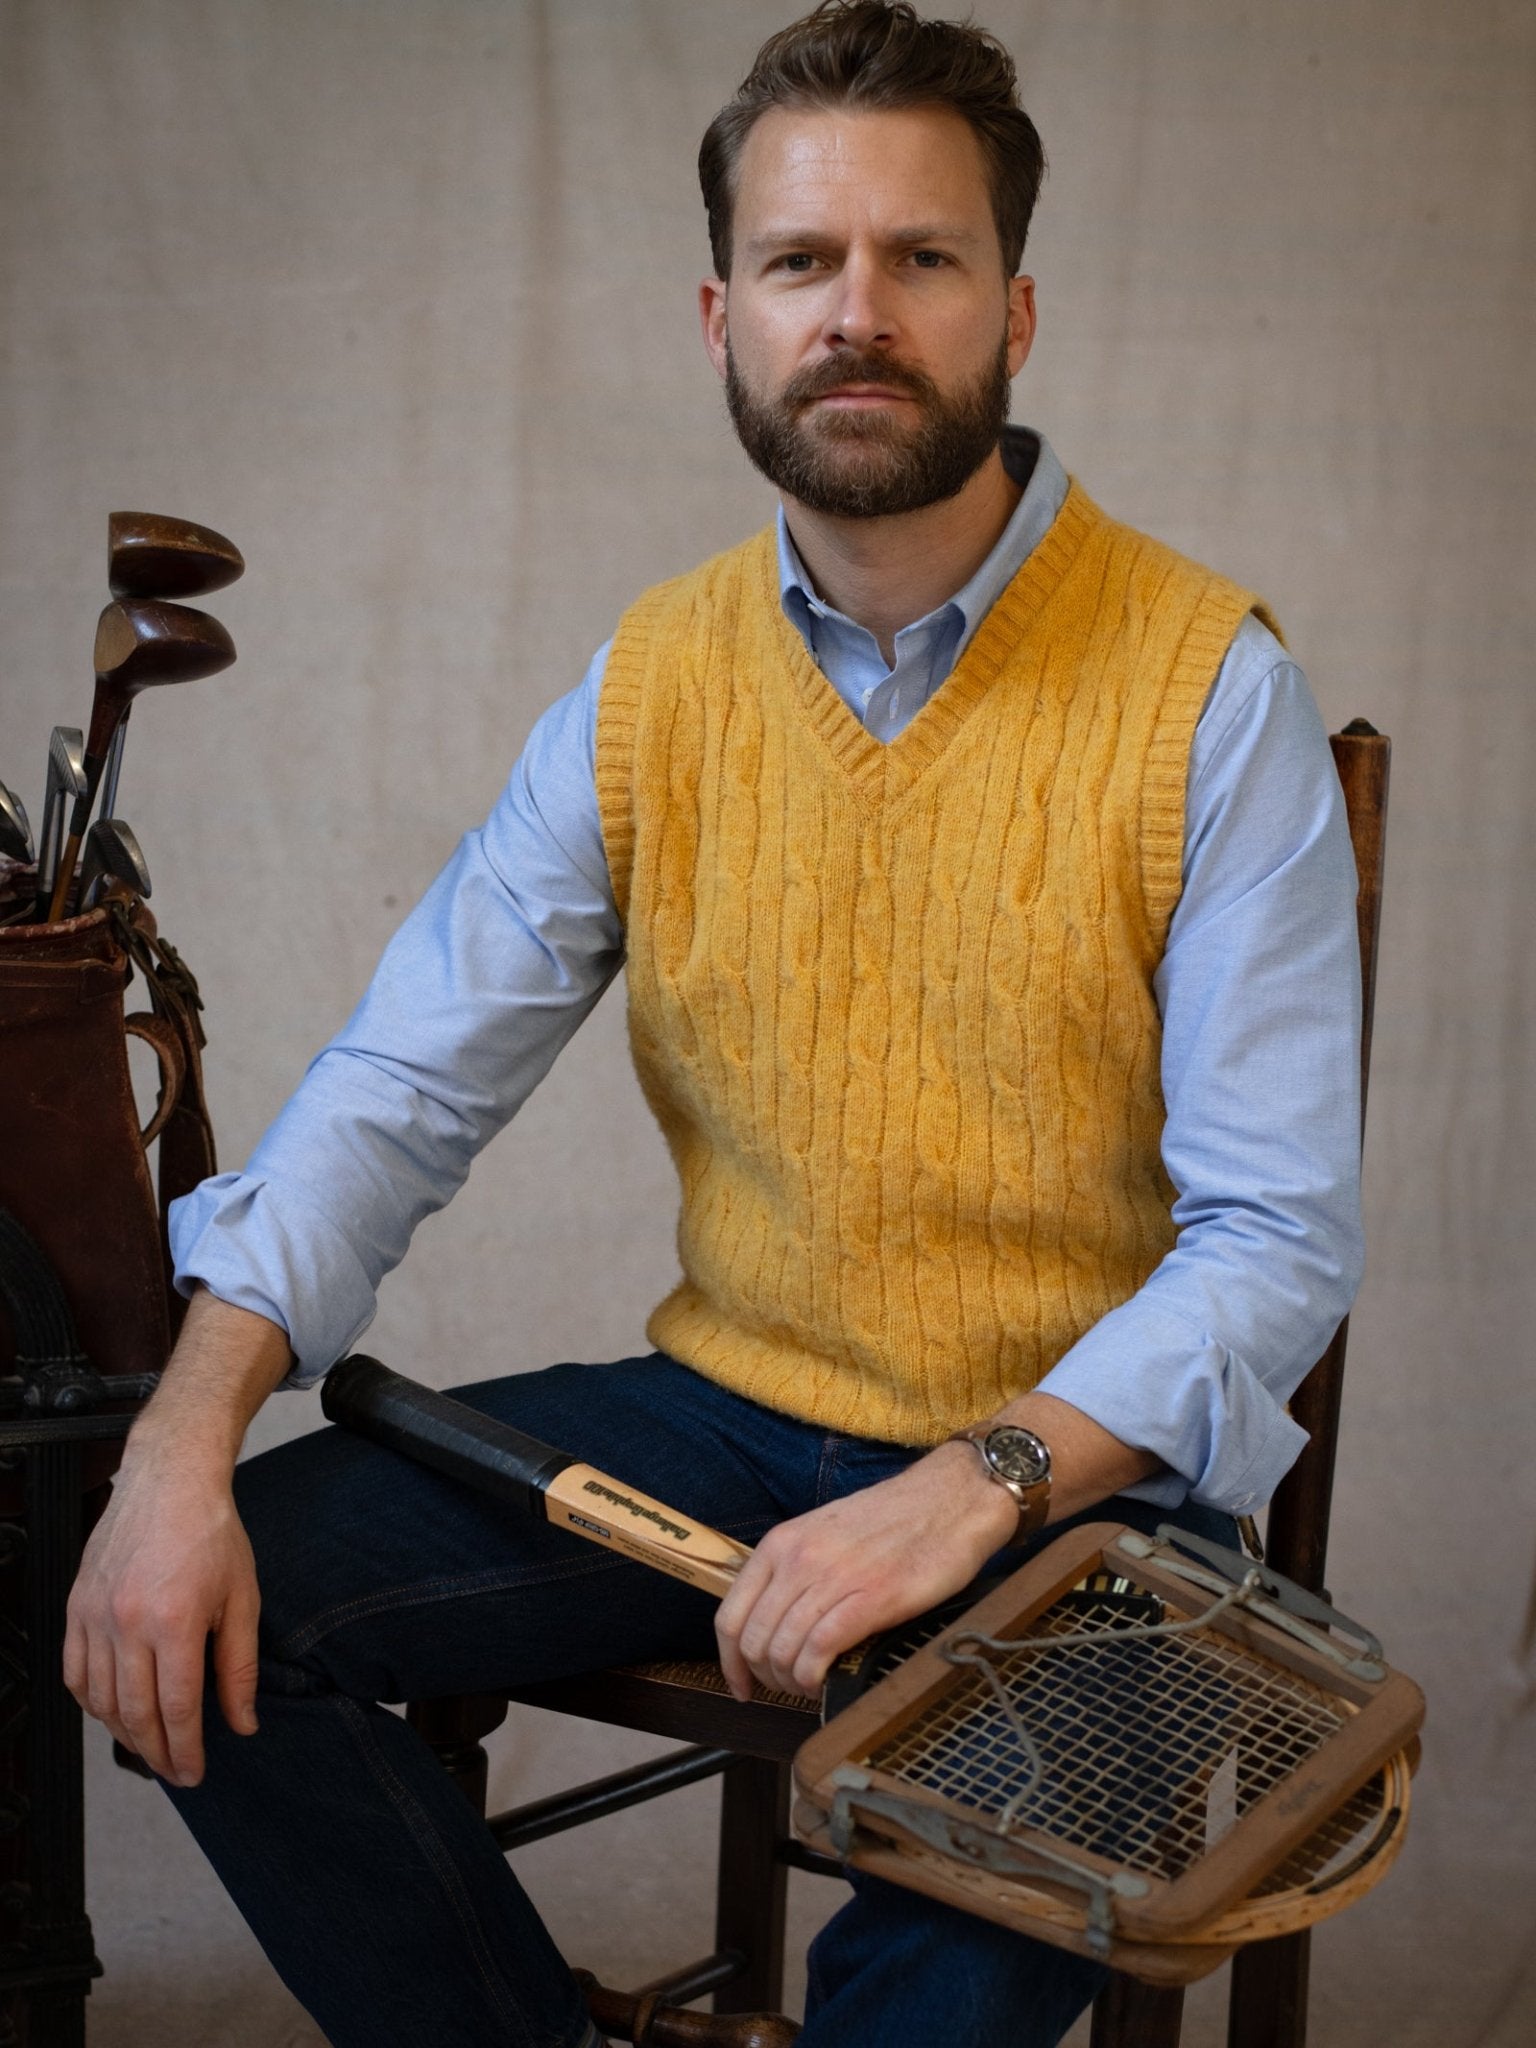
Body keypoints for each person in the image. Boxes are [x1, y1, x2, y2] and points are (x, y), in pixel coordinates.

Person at [64, 4, 1364, 2044]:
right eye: (801, 264)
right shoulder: (647, 686)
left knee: (980, 1892)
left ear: (1014, 307)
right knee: (194, 1607)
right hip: (728, 1416)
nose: (858, 313)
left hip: (1077, 1481)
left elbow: (1276, 1238)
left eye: (920, 259)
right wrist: (182, 1435)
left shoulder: (1214, 691)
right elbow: (401, 1085)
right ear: (720, 318)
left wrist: (978, 1480)